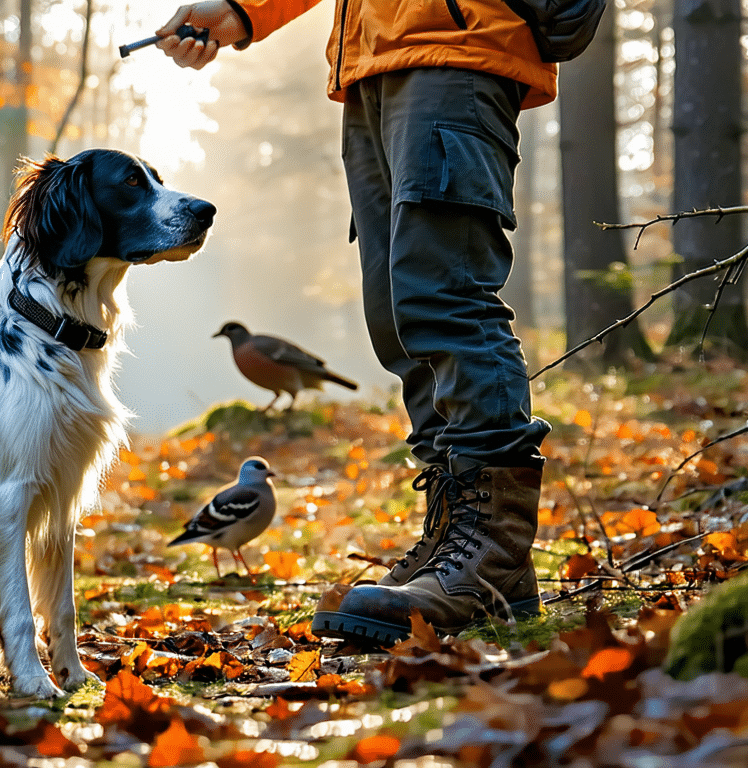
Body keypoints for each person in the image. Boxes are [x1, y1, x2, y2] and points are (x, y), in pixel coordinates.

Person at [154, 1, 554, 644]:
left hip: (455, 43)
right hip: (369, 58)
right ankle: (461, 543)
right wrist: (241, 10)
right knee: (396, 314)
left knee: (445, 297)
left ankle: (487, 556)